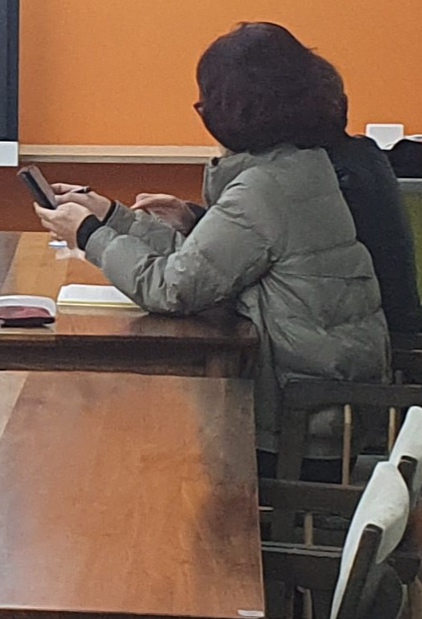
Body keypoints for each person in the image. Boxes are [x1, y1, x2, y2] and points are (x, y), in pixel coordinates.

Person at [35, 22, 391, 456]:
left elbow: (172, 288)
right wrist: (111, 216)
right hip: (328, 397)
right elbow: (200, 262)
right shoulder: (301, 166)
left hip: (300, 424)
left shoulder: (263, 189)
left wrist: (89, 234)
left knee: (124, 437)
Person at [116, 48, 422, 335]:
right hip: (361, 338)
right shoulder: (354, 158)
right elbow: (276, 248)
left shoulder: (315, 178)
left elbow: (181, 288)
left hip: (342, 351)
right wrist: (196, 220)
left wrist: (96, 230)